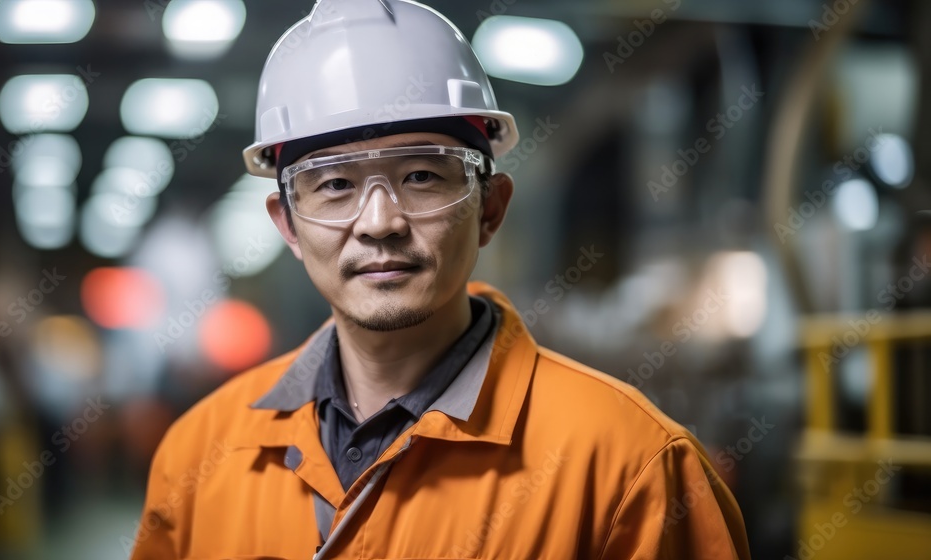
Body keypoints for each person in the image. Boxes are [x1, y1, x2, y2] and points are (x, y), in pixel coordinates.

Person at [130, 0, 750, 558]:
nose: (379, 223)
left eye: (423, 176)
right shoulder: (199, 457)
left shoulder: (629, 470)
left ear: (490, 208)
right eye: (335, 185)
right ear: (287, 225)